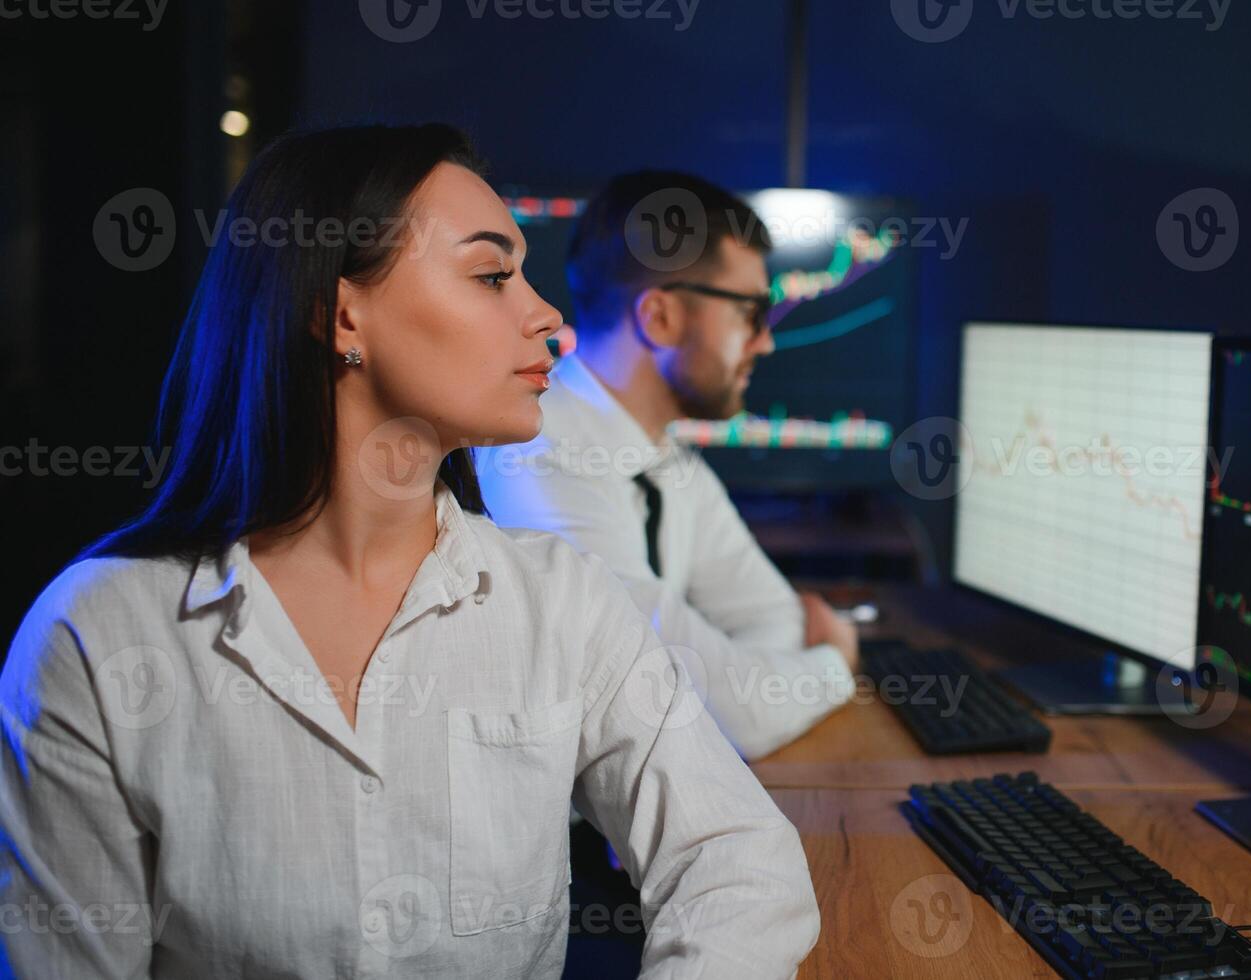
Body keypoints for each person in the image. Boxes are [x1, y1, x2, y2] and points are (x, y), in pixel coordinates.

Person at [0, 125, 819, 978]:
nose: (548, 319)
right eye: (492, 275)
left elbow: (739, 863)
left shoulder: (560, 600)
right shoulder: (95, 636)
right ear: (341, 311)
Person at [477, 172, 859, 763]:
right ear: (659, 319)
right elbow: (735, 715)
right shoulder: (534, 455)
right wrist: (834, 663)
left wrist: (750, 678)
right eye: (751, 313)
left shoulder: (670, 465)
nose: (766, 344)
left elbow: (773, 624)